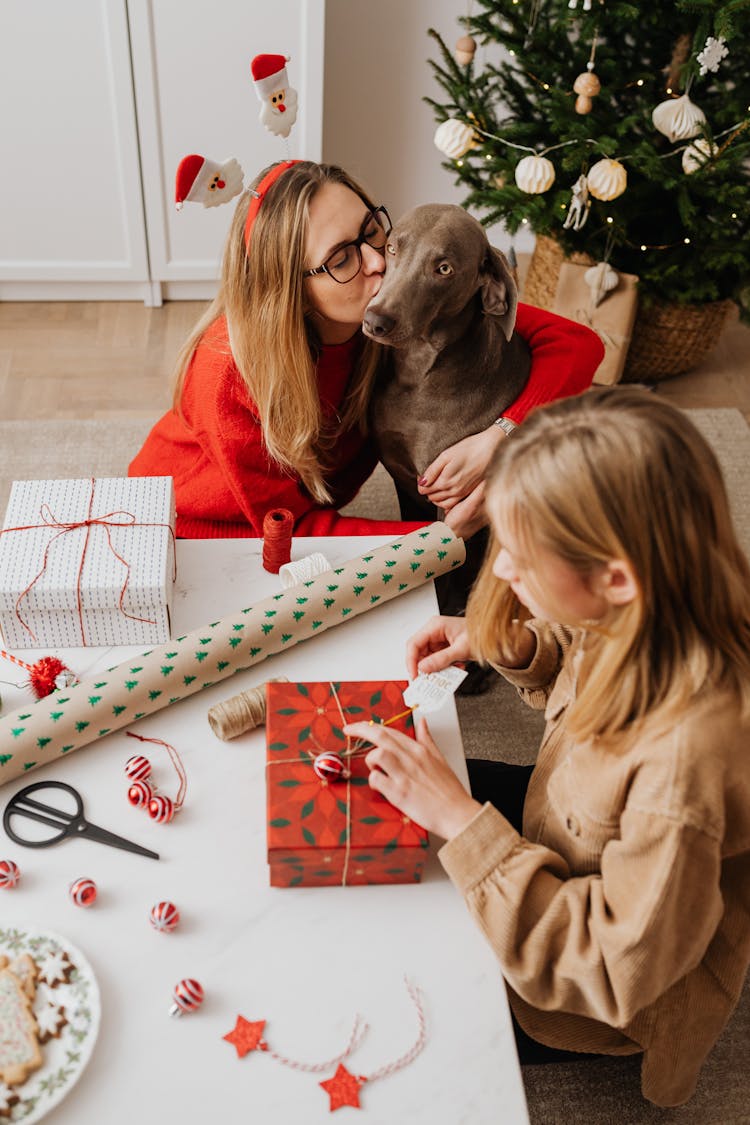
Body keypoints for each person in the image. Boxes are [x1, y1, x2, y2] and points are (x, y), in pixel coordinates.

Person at [343, 387, 750, 1108]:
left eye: (523, 558)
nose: (500, 573)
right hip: (561, 828)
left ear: (616, 576)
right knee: (383, 835)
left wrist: (465, 826)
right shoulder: (655, 598)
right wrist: (518, 638)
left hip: (585, 987)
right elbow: (584, 636)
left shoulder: (684, 766)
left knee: (380, 983)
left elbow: (615, 968)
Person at [129, 160, 603, 539]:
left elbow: (577, 344)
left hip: (305, 512)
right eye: (340, 258)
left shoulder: (384, 313)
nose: (379, 264)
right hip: (203, 534)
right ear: (288, 286)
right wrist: (433, 539)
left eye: (375, 232)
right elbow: (292, 532)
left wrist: (499, 435)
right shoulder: (229, 374)